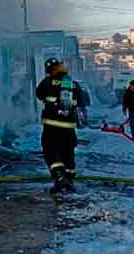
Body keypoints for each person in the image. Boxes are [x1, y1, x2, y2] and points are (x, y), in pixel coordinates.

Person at [36, 57, 81, 193]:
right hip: (69, 128)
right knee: (68, 153)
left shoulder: (47, 82)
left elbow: (39, 94)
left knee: (51, 152)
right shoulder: (73, 83)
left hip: (52, 127)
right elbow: (80, 100)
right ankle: (69, 181)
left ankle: (60, 178)